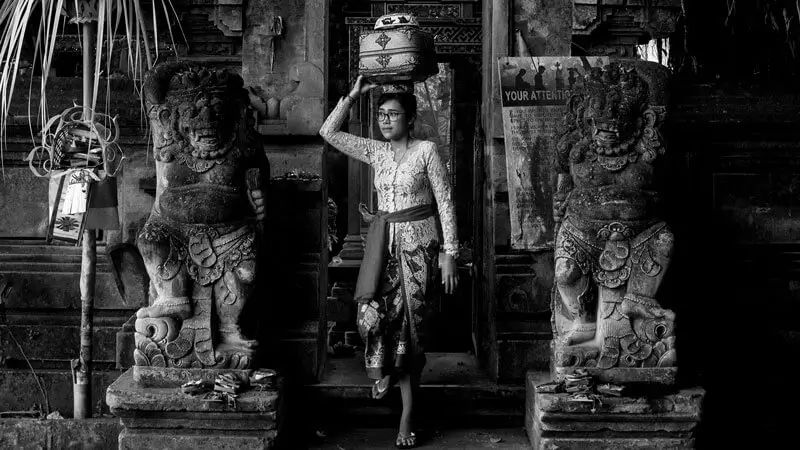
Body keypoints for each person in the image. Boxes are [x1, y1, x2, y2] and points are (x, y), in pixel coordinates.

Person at [319, 75, 459, 449]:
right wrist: (351, 96)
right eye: (381, 114)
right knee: (371, 316)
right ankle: (382, 373)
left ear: (409, 119)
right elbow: (328, 132)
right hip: (382, 249)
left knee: (410, 334)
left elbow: (445, 202)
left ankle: (407, 415)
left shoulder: (426, 150)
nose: (385, 121)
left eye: (393, 114)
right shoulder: (376, 151)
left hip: (420, 252)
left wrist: (450, 254)